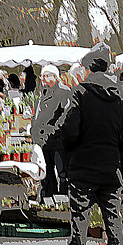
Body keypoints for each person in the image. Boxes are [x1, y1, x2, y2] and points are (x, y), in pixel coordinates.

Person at [57, 43, 123, 245]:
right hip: (109, 168)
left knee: (79, 226)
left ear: (90, 67)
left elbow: (69, 132)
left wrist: (73, 146)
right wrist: (114, 144)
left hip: (82, 169)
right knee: (114, 224)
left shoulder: (79, 93)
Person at [31, 64, 71, 199]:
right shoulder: (43, 92)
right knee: (46, 173)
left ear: (54, 76)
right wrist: (34, 130)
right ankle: (49, 199)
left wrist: (52, 130)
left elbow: (65, 116)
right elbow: (37, 114)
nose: (43, 79)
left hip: (57, 140)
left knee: (63, 173)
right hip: (43, 141)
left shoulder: (63, 92)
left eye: (45, 76)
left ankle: (64, 200)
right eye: (42, 76)